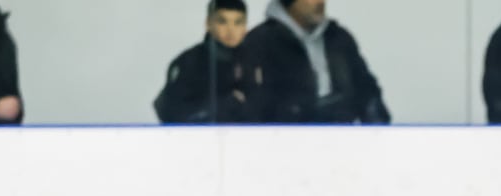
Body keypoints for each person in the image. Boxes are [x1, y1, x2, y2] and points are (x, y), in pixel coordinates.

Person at [241, 0, 387, 124]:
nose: (320, 2)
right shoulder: (260, 43)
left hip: (342, 142)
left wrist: (378, 136)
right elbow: (256, 107)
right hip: (286, 145)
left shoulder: (338, 39)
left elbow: (367, 91)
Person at [155, 0, 253, 125]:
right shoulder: (189, 63)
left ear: (245, 26)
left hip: (252, 140)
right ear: (208, 23)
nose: (231, 30)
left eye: (238, 22)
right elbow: (172, 113)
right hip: (197, 139)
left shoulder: (256, 62)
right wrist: (223, 105)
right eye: (222, 22)